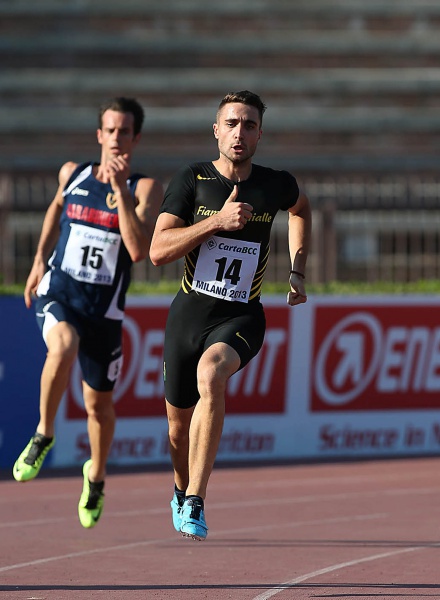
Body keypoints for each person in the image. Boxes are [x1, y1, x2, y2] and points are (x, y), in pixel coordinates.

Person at [149, 90, 312, 541]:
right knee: (177, 430)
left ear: (260, 134)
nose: (240, 133)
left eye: (250, 125)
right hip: (188, 316)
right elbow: (157, 251)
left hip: (241, 316)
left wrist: (298, 270)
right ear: (216, 130)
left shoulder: (274, 184)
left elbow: (301, 208)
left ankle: (196, 499)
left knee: (212, 373)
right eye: (232, 124)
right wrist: (215, 222)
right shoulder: (192, 179)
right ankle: (180, 488)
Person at [13, 97, 163, 528]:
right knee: (62, 346)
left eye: (124, 131)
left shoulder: (145, 188)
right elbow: (55, 209)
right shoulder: (73, 173)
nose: (116, 138)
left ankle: (95, 475)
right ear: (99, 134)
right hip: (61, 293)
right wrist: (39, 260)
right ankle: (44, 433)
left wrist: (120, 190)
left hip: (104, 313)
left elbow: (138, 250)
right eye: (110, 130)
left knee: (99, 407)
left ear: (135, 138)